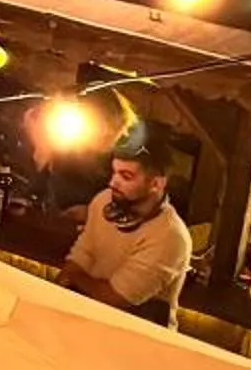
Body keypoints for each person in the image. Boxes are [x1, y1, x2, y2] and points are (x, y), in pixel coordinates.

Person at [58, 134, 196, 319]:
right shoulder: (103, 200)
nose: (112, 183)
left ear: (156, 184)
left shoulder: (170, 236)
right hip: (87, 317)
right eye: (114, 172)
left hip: (135, 331)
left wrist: (74, 277)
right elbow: (83, 253)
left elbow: (115, 298)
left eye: (126, 176)